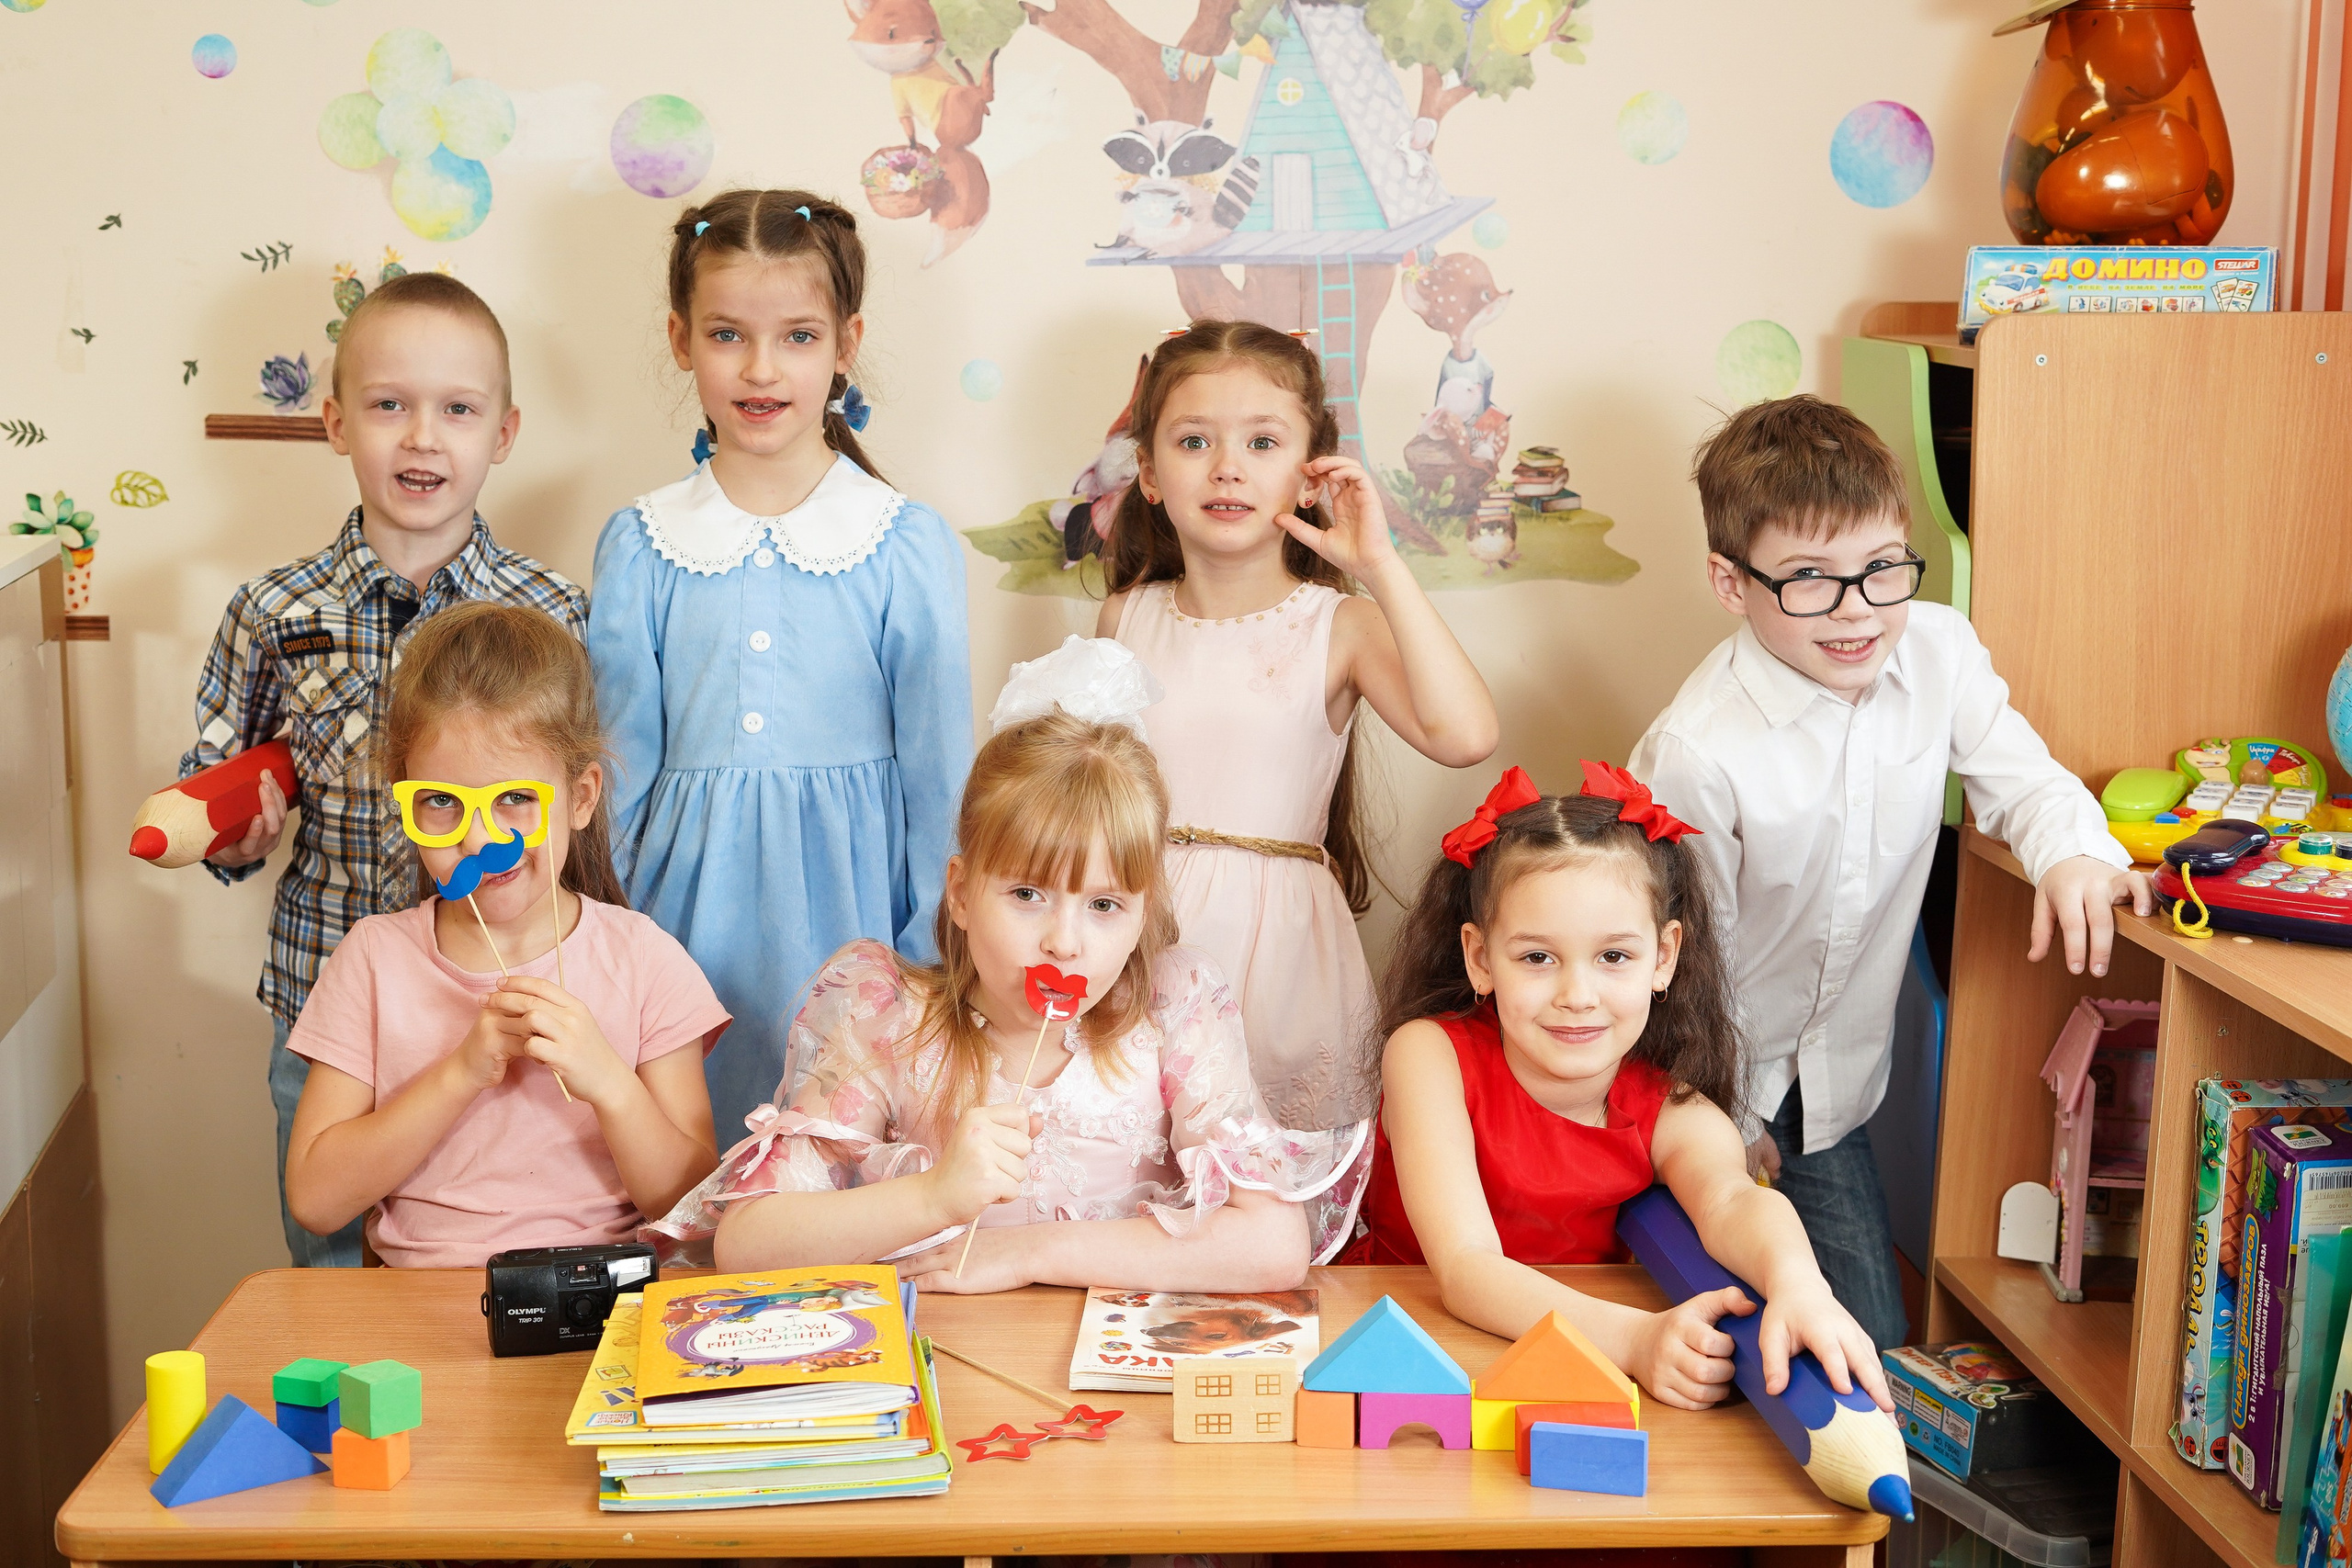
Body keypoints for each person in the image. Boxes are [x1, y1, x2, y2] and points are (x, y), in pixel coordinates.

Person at [1629, 394, 2148, 1349]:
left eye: (1881, 569)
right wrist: (1722, 1120)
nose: (1856, 609)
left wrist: (2073, 851)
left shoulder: (1937, 651)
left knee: (1873, 1343)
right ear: (1730, 582)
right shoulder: (1697, 753)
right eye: (1809, 579)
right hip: (1697, 1083)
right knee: (1714, 1335)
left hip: (1831, 1086)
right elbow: (1685, 969)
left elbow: (2024, 780)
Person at [650, 637, 1367, 1292]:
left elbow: (1274, 1244)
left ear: (1143, 914)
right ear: (961, 893)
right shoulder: (885, 1015)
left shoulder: (1174, 1009)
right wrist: (935, 1196)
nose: (1064, 941)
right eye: (1027, 894)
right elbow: (746, 1242)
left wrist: (1026, 1252)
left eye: (1105, 905)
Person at [183, 271, 585, 1267]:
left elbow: (575, 817)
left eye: (458, 410)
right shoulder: (272, 611)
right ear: (335, 422)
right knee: (332, 1279)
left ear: (504, 432)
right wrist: (233, 839)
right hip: (331, 1013)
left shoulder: (554, 613)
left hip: (503, 1010)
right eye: (389, 405)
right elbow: (214, 791)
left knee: (483, 1279)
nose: (422, 439)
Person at [589, 187, 972, 1142]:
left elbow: (939, 779)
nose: (761, 369)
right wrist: (602, 943)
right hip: (680, 925)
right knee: (685, 1158)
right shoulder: (642, 543)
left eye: (798, 337)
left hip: (855, 925)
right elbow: (618, 775)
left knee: (835, 1168)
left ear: (846, 344)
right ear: (681, 339)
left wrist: (932, 956)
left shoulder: (903, 542)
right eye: (727, 335)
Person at [1357, 762, 1892, 1414]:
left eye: (1613, 956)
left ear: (1663, 956)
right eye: (1537, 957)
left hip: (1575, 1359)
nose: (1577, 995)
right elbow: (1467, 1268)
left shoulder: (1675, 1110)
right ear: (1480, 958)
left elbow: (1733, 1200)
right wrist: (1633, 1339)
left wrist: (1799, 1283)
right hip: (1404, 1347)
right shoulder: (1426, 1055)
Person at [1098, 320, 1498, 1132]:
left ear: (1311, 474)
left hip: (1282, 956)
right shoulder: (1125, 616)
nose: (1227, 466)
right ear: (1148, 472)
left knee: (1274, 1176)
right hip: (1139, 936)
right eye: (1194, 440)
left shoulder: (1339, 625)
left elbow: (1465, 736)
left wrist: (1378, 564)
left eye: (1263, 442)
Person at [282, 603, 726, 1268]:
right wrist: (462, 1073)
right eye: (441, 801)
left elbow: (693, 1211)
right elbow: (316, 1200)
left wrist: (609, 1081)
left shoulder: (645, 959)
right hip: (418, 1302)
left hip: (603, 1300)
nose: (479, 839)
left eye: (515, 798)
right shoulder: (373, 959)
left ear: (580, 798)